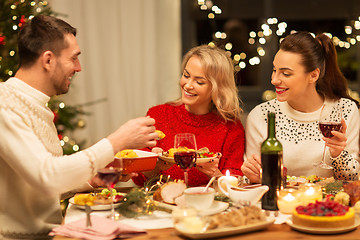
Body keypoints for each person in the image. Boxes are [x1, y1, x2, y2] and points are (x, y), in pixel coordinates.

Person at [0, 15, 158, 239]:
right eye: (73, 58)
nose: (79, 67)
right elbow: (47, 177)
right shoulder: (5, 104)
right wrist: (117, 141)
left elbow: (36, 184)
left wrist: (90, 181)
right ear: (48, 60)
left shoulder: (36, 106)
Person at [242, 31, 360, 183]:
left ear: (313, 75)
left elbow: (353, 180)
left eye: (285, 73)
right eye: (274, 70)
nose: (274, 80)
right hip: (281, 202)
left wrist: (338, 154)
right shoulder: (262, 115)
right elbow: (251, 180)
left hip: (331, 204)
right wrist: (252, 176)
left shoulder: (345, 109)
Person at [132, 45, 245, 187]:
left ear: (217, 88)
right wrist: (156, 167)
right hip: (163, 204)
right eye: (186, 75)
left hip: (208, 206)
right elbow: (138, 180)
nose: (188, 85)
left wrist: (215, 175)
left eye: (199, 82)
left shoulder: (231, 128)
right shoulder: (157, 116)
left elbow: (235, 184)